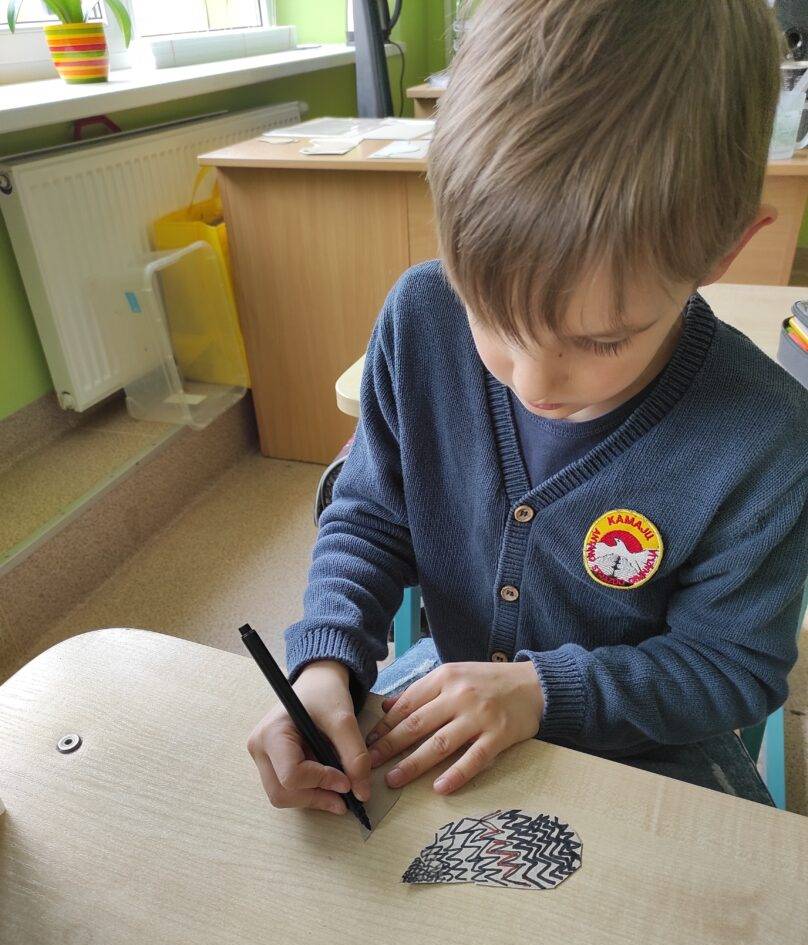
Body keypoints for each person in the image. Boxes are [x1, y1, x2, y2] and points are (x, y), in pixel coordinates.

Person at [248, 0, 808, 814]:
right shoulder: (420, 318)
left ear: (724, 251)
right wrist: (325, 660)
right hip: (455, 694)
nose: (536, 383)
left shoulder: (765, 437)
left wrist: (542, 691)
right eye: (493, 320)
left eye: (602, 341)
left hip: (649, 743)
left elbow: (729, 669)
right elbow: (369, 517)